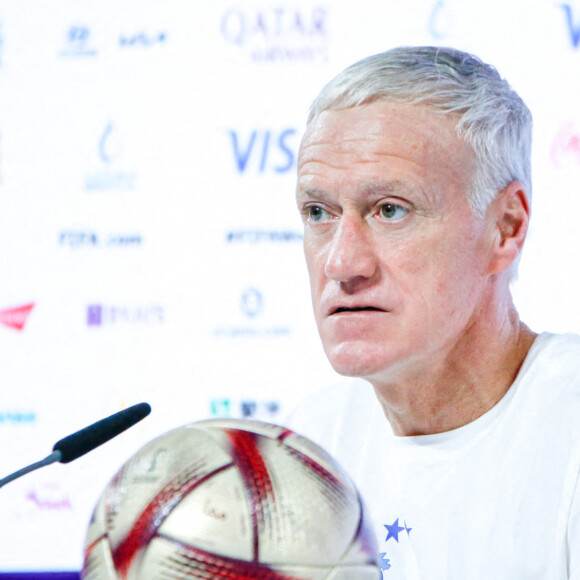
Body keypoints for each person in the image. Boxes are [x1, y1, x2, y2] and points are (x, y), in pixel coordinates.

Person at [288, 46, 580, 579]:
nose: (341, 262)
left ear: (506, 228)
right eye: (318, 213)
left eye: (390, 210)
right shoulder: (310, 442)